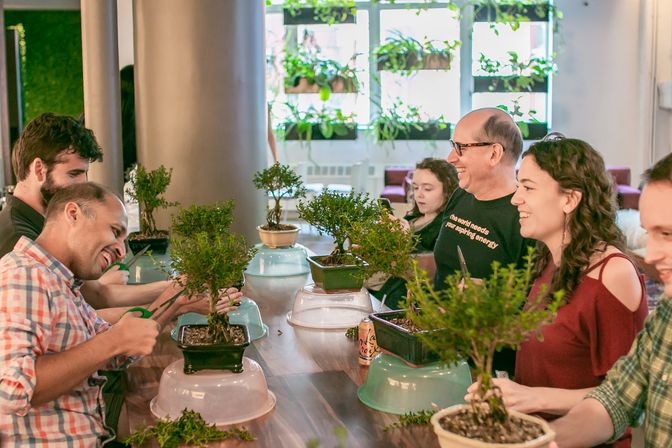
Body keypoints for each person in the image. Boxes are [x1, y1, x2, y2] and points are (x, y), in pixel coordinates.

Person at [0, 183, 237, 446]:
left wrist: (177, 301)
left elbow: (114, 353)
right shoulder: (25, 275)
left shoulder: (61, 283)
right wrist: (113, 341)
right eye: (115, 232)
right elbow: (13, 389)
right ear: (73, 213)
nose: (121, 251)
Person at [465, 135, 647, 448]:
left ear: (570, 199)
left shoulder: (612, 274)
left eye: (529, 188)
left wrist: (532, 397)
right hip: (531, 435)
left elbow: (628, 398)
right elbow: (549, 341)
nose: (515, 199)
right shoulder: (550, 259)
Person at [542, 152, 672, 447]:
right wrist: (542, 442)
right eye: (650, 233)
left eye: (667, 234)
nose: (650, 256)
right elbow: (616, 399)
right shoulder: (667, 312)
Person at [0, 112, 180, 310]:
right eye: (74, 173)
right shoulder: (18, 239)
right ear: (39, 170)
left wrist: (177, 289)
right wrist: (175, 298)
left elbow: (98, 294)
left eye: (85, 173)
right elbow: (91, 303)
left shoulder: (37, 223)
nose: (83, 183)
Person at [433, 107, 534, 375]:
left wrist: (490, 298)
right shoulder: (460, 196)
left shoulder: (524, 217)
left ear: (494, 153)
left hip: (487, 368)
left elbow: (538, 311)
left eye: (461, 147)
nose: (451, 157)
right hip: (439, 350)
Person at [368, 158, 458, 309]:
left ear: (448, 190)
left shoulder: (446, 227)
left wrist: (406, 240)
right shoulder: (412, 218)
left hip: (401, 301)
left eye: (427, 189)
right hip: (377, 289)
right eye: (415, 188)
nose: (419, 195)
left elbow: (431, 272)